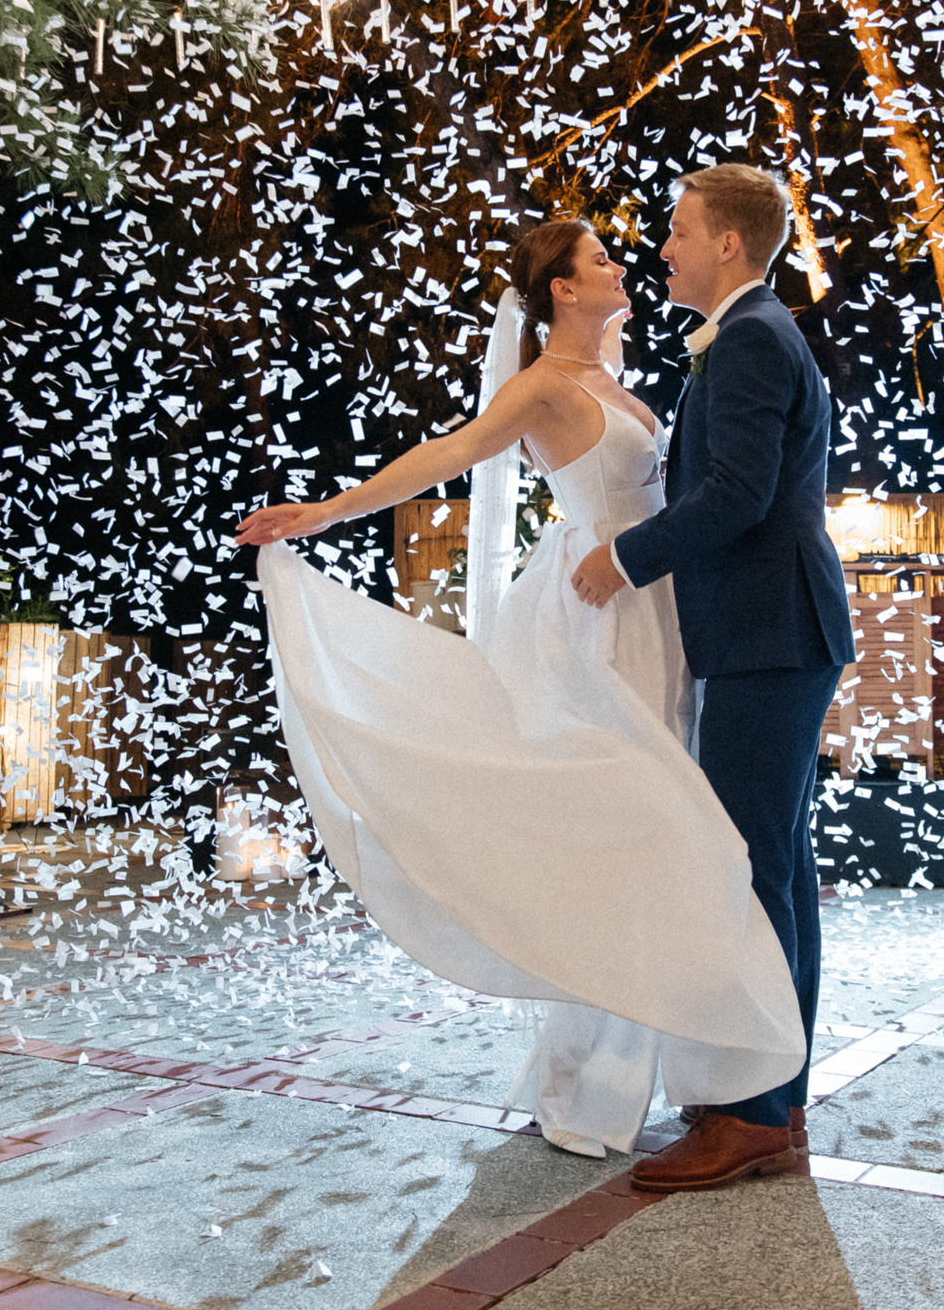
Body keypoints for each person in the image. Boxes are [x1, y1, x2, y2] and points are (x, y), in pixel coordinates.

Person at [237, 214, 805, 1166]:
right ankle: (606, 1080)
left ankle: (675, 1073)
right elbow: (450, 454)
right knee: (633, 825)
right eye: (600, 260)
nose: (626, 264)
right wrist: (327, 511)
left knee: (652, 829)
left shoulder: (611, 371)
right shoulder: (540, 386)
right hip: (599, 610)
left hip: (654, 607)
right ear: (563, 290)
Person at [568, 164, 854, 1192]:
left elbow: (736, 492)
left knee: (750, 869)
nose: (665, 248)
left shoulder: (749, 340)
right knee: (776, 866)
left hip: (767, 634)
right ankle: (776, 1090)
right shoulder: (758, 332)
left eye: (680, 231)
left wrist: (626, 556)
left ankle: (752, 1115)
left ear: (729, 243)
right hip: (778, 633)